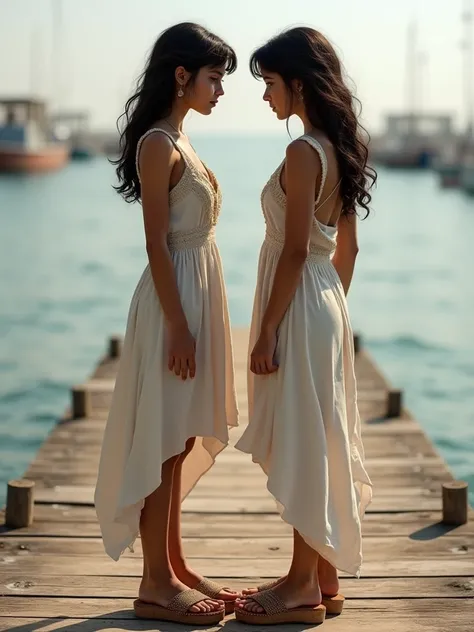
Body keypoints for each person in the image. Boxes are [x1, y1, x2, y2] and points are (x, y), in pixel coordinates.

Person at [94, 22, 239, 625]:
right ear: (181, 75)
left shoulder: (181, 139)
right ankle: (154, 583)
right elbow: (156, 244)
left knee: (177, 441)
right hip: (171, 301)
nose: (221, 92)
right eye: (214, 78)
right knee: (162, 442)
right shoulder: (158, 143)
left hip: (193, 297)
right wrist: (179, 326)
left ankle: (173, 565)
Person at [234, 26, 375, 625]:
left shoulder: (301, 152)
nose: (265, 95)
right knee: (320, 433)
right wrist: (328, 311)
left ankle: (299, 589)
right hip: (324, 302)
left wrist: (267, 329)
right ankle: (323, 574)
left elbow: (293, 250)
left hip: (298, 301)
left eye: (268, 83)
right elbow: (348, 251)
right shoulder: (337, 147)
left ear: (297, 81)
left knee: (301, 438)